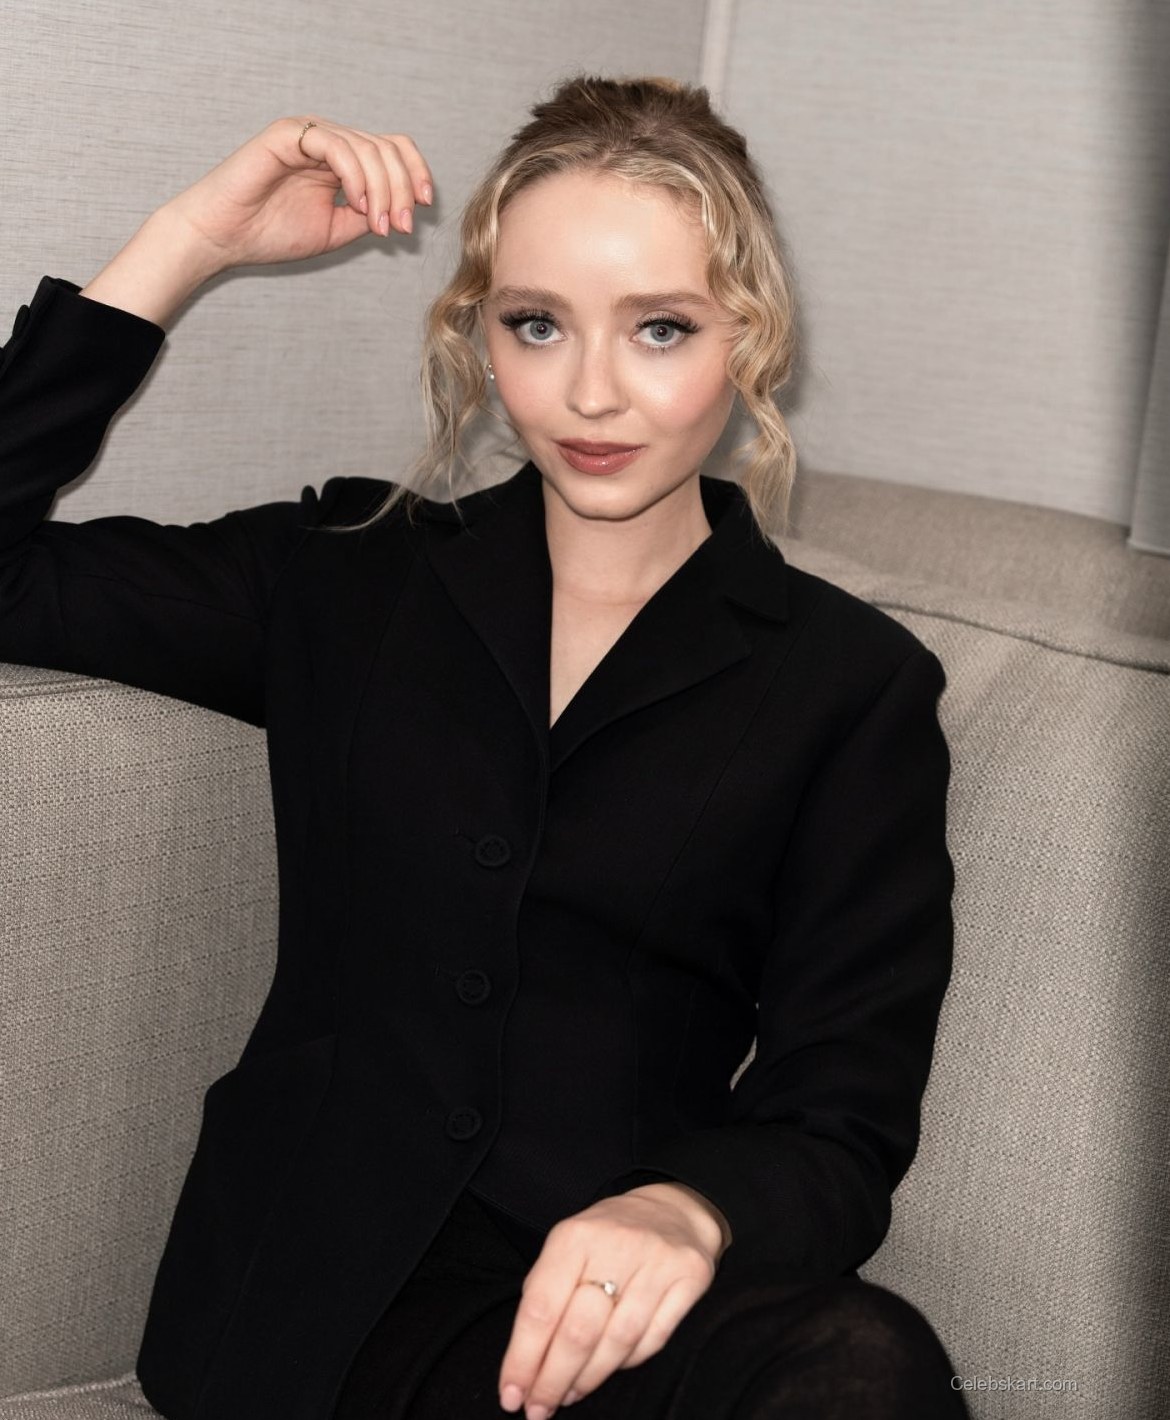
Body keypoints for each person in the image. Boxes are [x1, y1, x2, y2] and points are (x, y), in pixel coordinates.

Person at [0, 75, 970, 1419]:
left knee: (865, 1361)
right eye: (536, 324)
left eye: (660, 328)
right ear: (478, 333)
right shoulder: (345, 575)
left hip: (604, 1306)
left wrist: (688, 1211)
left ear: (750, 337)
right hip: (317, 1301)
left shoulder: (851, 687)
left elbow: (842, 1106)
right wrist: (188, 244)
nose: (590, 391)